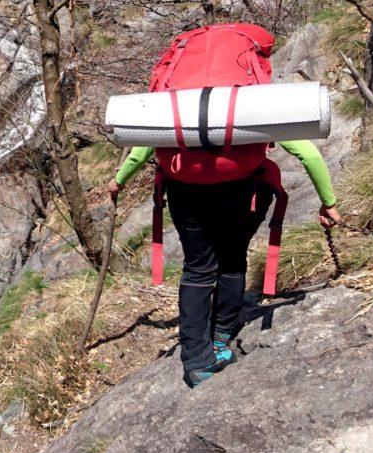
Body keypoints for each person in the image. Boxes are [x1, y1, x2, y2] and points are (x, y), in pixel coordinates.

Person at [107, 141, 342, 388]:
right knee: (232, 258)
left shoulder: (176, 101)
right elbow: (308, 153)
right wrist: (329, 202)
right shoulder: (252, 101)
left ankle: (197, 363)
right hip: (244, 189)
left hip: (185, 191)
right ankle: (221, 336)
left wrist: (119, 181)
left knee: (198, 269)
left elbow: (142, 149)